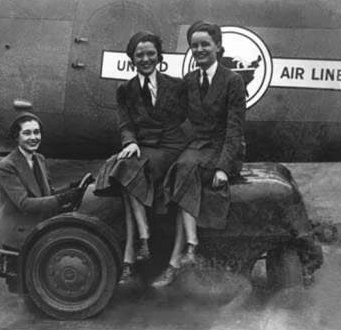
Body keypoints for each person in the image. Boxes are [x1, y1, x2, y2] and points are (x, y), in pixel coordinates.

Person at [152, 21, 246, 287]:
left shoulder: (233, 80)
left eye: (205, 44)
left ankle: (179, 257)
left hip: (225, 149)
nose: (200, 49)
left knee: (184, 171)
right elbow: (176, 118)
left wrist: (223, 168)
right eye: (194, 45)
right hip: (199, 147)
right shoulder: (190, 80)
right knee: (180, 169)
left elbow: (235, 128)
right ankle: (188, 250)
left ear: (218, 47)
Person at [94, 31, 187, 284]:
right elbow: (125, 124)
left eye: (150, 54)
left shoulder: (176, 85)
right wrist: (131, 142)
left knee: (130, 174)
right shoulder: (125, 89)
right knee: (123, 166)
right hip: (143, 147)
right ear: (132, 59)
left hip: (170, 147)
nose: (146, 59)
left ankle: (133, 253)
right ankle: (143, 237)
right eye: (139, 55)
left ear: (159, 56)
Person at [0, 112, 84, 251]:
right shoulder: (7, 166)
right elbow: (25, 203)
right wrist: (62, 198)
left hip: (37, 229)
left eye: (37, 132)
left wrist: (70, 187)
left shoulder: (39, 159)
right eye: (27, 133)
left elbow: (47, 194)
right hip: (16, 236)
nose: (33, 138)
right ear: (17, 137)